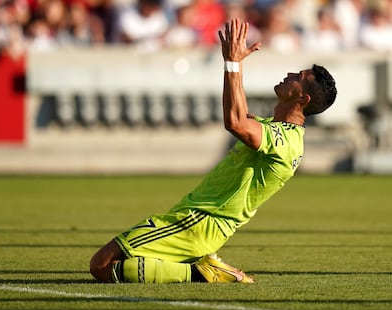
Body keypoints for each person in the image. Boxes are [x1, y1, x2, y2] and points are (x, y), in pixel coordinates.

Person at [90, 18, 337, 284]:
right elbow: (240, 115)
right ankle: (201, 269)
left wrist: (231, 63)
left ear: (303, 98)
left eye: (297, 78)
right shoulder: (276, 129)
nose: (289, 75)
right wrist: (237, 63)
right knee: (117, 264)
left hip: (199, 221)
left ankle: (202, 273)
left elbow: (235, 122)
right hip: (202, 223)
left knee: (102, 265)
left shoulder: (286, 141)